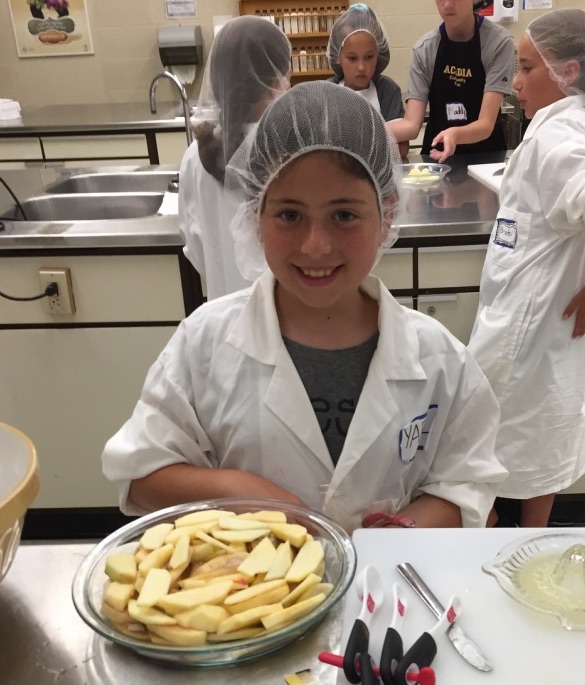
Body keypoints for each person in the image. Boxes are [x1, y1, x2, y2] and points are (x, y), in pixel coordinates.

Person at [103, 81, 506, 533]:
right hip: (250, 580)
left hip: (393, 577)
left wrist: (391, 538)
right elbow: (139, 476)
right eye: (290, 215)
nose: (315, 247)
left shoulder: (440, 360)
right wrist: (244, 493)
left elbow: (468, 485)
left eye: (344, 215)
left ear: (387, 212)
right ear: (255, 211)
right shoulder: (204, 344)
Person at [468, 8, 585, 528]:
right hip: (535, 318)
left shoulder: (560, 138)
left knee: (482, 442)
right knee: (538, 438)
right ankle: (524, 538)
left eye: (528, 68)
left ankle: (489, 533)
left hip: (526, 326)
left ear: (568, 72)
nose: (515, 82)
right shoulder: (560, 126)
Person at [178, 16, 292, 300]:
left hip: (224, 309)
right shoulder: (291, 149)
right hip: (287, 311)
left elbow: (194, 247)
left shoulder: (194, 157)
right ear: (272, 85)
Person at [387, 0, 514, 162]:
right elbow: (411, 125)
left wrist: (454, 135)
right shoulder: (424, 49)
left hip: (486, 159)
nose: (447, 5)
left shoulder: (498, 43)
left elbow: (485, 124)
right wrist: (364, 131)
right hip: (437, 158)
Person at [326, 3, 409, 158]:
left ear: (378, 55)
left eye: (369, 57)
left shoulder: (387, 90)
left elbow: (402, 148)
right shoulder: (327, 91)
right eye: (352, 58)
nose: (361, 67)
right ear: (338, 57)